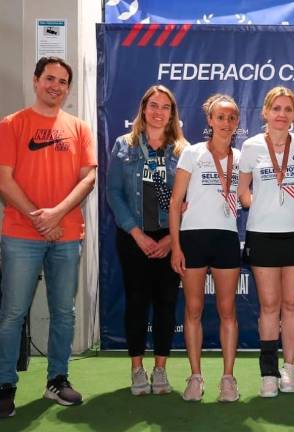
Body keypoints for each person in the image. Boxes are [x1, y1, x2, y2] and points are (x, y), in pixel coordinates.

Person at [0, 57, 97, 418]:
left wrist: (56, 215)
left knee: (64, 313)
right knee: (12, 313)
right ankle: (5, 385)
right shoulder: (12, 125)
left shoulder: (79, 127)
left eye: (62, 81)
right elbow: (4, 179)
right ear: (36, 80)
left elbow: (88, 178)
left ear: (68, 88)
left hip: (67, 233)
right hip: (20, 235)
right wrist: (39, 218)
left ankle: (57, 378)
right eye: (50, 79)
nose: (56, 86)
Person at [107, 85, 187, 396]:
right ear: (143, 109)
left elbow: (187, 199)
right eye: (153, 105)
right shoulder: (124, 146)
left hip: (170, 238)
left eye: (165, 107)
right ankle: (137, 369)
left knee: (166, 305)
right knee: (137, 303)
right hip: (133, 237)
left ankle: (161, 370)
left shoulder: (183, 151)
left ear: (172, 114)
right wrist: (137, 233)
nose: (158, 111)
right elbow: (114, 193)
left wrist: (170, 238)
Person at [237, 86, 294, 397]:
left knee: (292, 305)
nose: (282, 115)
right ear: (265, 112)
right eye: (276, 109)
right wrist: (263, 205)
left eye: (288, 109)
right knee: (269, 306)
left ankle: (289, 369)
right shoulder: (251, 147)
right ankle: (268, 372)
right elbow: (242, 193)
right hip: (263, 234)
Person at [169, 94, 242, 402]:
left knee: (228, 311)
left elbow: (250, 194)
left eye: (231, 118)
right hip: (193, 238)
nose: (225, 123)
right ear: (210, 121)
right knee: (193, 309)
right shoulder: (192, 153)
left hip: (226, 237)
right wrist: (175, 247)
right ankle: (195, 377)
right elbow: (175, 203)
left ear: (237, 123)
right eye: (220, 117)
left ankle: (228, 378)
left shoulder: (241, 158)